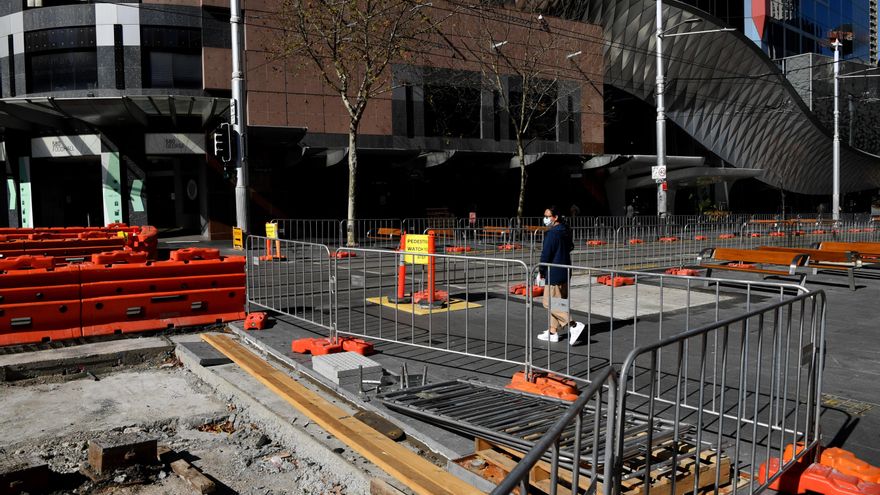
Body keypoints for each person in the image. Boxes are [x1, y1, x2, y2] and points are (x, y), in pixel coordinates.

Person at [536, 206, 584, 343]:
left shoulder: (552, 233)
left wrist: (541, 271)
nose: (545, 219)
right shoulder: (565, 230)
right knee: (559, 302)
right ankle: (552, 332)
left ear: (555, 217)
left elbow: (546, 254)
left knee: (548, 302)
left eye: (547, 216)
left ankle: (573, 325)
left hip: (554, 272)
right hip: (565, 270)